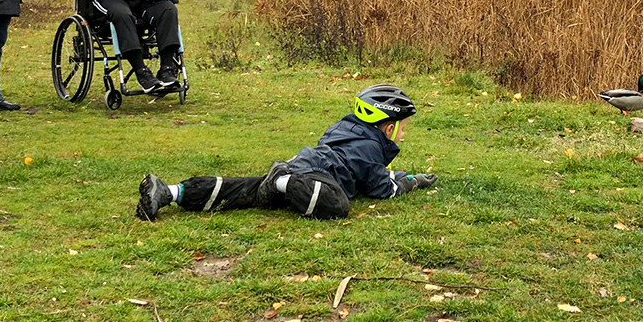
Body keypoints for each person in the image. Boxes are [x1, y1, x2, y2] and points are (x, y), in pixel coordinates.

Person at [135, 85, 437, 221]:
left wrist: (399, 173)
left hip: (301, 168)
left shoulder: (348, 131)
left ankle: (170, 192)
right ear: (387, 128)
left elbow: (370, 172)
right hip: (314, 179)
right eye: (402, 126)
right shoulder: (372, 148)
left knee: (247, 189)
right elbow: (380, 188)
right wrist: (409, 183)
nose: (403, 132)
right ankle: (282, 181)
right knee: (338, 206)